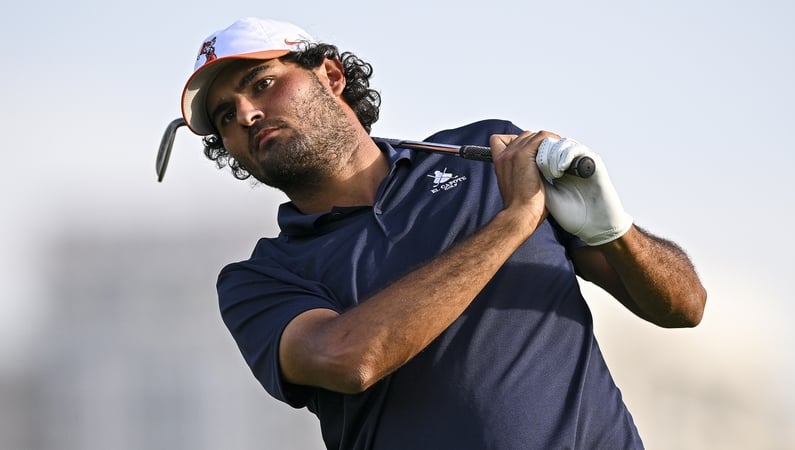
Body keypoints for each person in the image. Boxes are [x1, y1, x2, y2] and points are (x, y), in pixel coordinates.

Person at [180, 17, 706, 450]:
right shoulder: (260, 278)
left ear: (331, 77)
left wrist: (614, 231)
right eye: (226, 115)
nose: (246, 115)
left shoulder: (487, 155)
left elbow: (685, 307)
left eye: (262, 84)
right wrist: (514, 223)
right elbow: (350, 358)